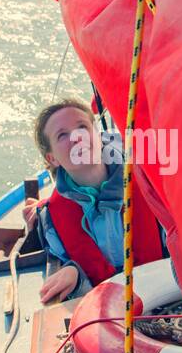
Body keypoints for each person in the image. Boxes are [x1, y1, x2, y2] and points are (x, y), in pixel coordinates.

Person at [25, 98, 166, 304]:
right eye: (62, 135)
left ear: (98, 136)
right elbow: (73, 283)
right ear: (52, 158)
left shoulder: (150, 181)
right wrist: (74, 273)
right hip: (107, 314)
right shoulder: (51, 222)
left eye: (82, 126)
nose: (77, 137)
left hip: (168, 300)